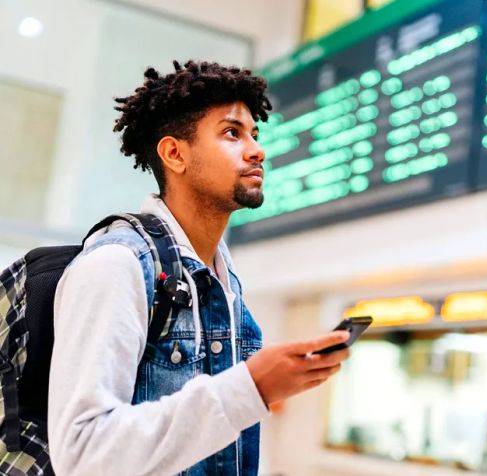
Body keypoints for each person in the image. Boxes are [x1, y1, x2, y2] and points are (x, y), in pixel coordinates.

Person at [47, 60, 351, 476]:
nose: (257, 149)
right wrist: (252, 387)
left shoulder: (223, 283)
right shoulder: (117, 264)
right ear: (175, 153)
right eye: (232, 133)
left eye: (254, 134)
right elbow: (82, 456)